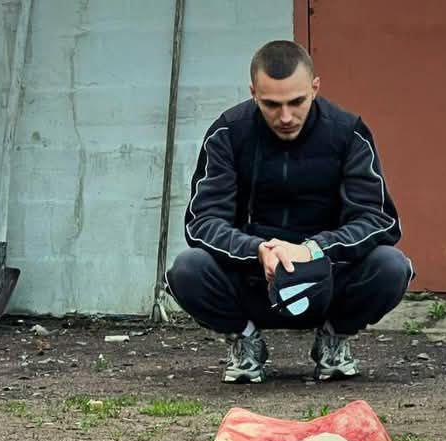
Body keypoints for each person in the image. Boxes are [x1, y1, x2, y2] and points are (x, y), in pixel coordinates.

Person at [166, 40, 414, 383]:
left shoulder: (348, 133)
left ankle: (333, 338)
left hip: (327, 280)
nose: (285, 117)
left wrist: (312, 249)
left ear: (315, 88)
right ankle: (245, 340)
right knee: (187, 269)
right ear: (253, 93)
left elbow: (379, 220)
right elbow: (202, 222)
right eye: (271, 104)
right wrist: (258, 250)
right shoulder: (228, 133)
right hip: (254, 281)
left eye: (296, 102)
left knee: (392, 266)